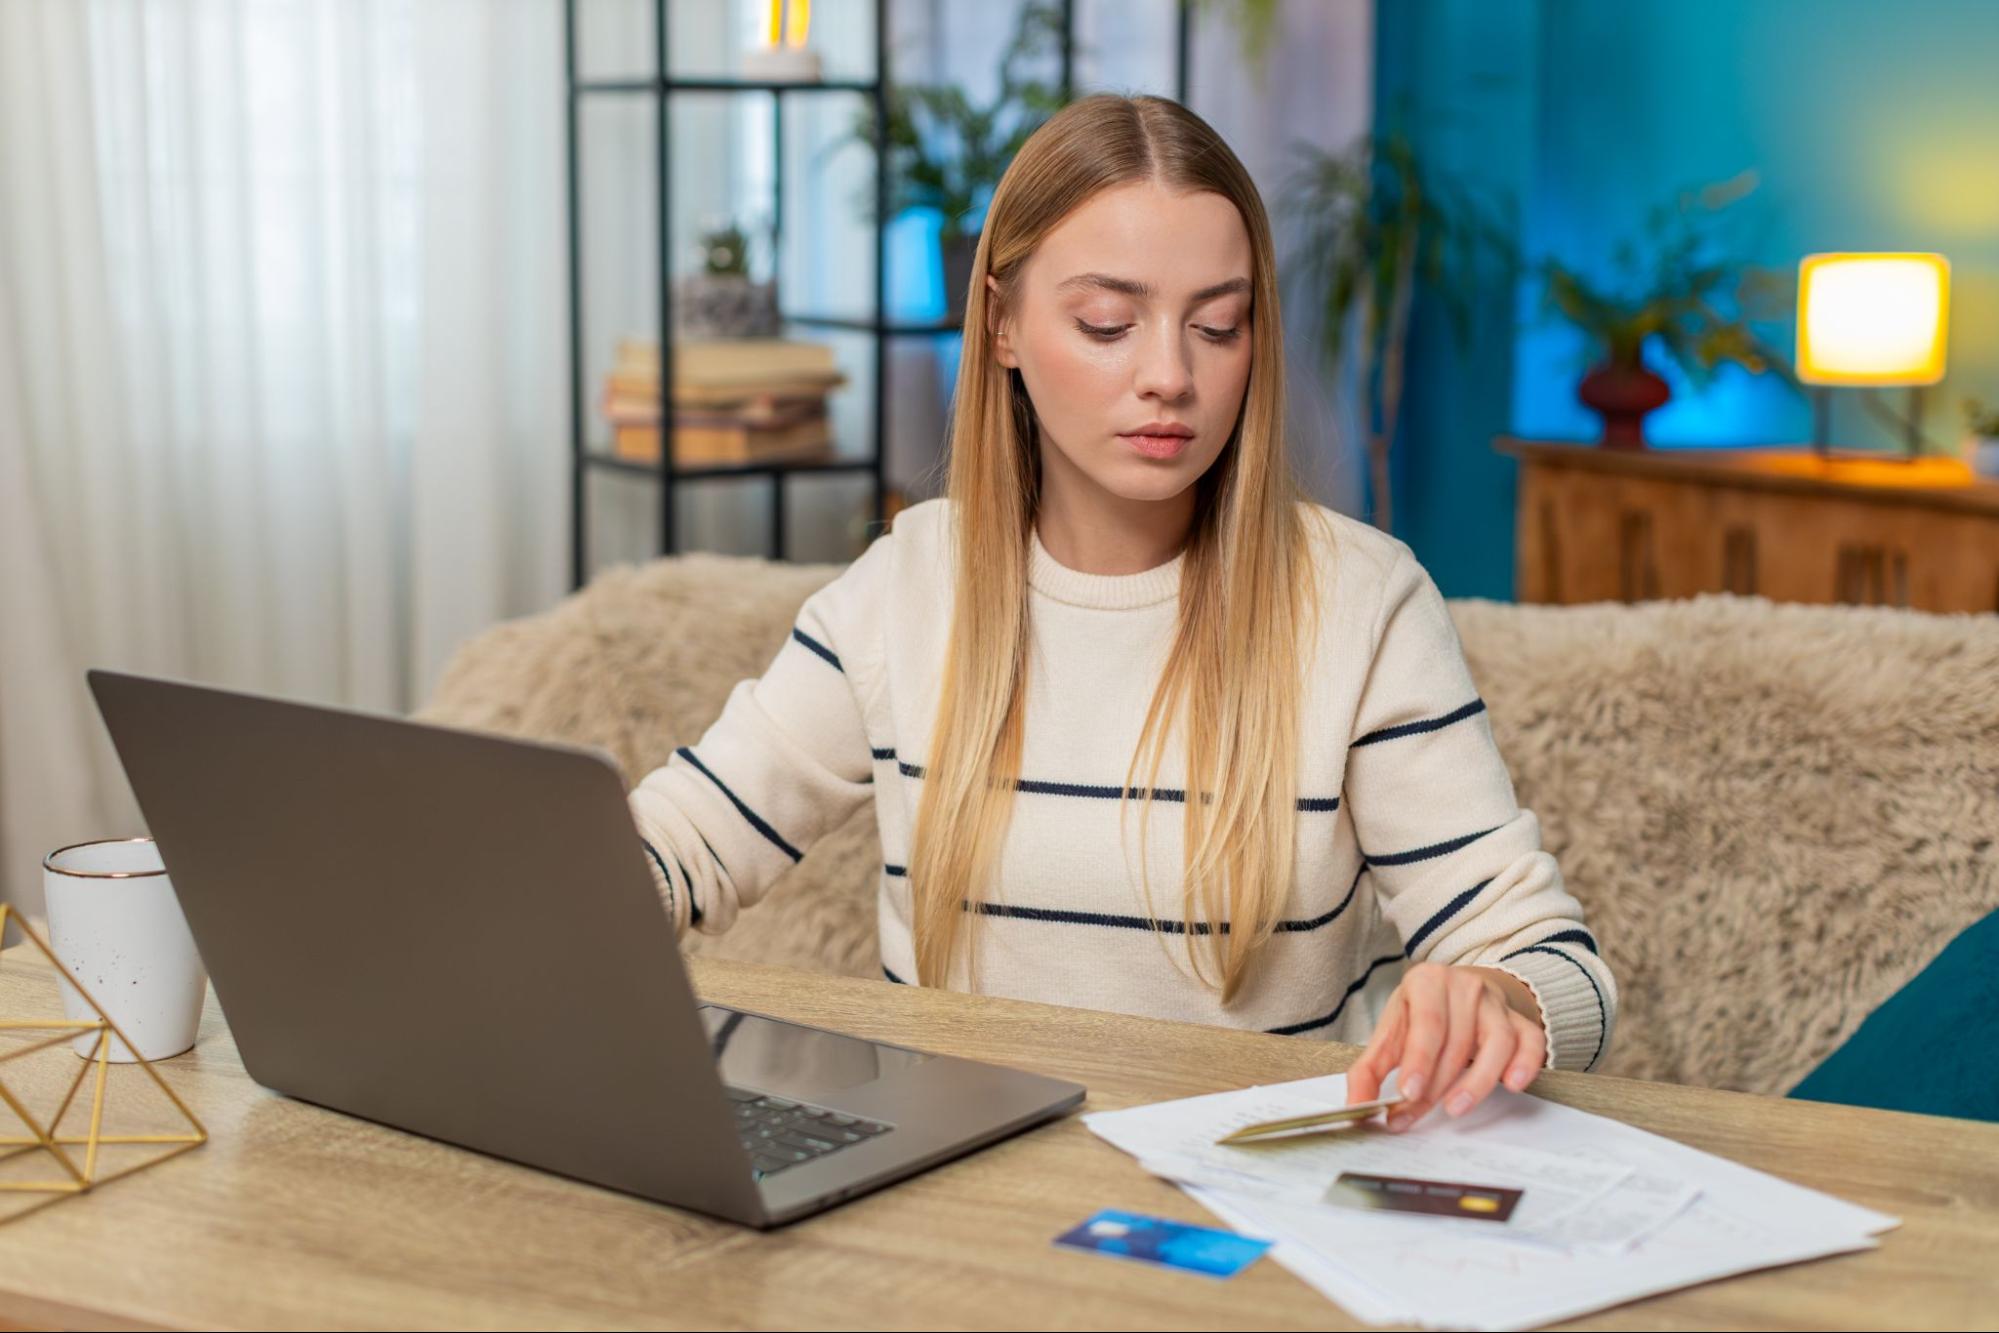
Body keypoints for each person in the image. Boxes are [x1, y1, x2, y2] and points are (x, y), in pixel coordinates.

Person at [627, 93, 1615, 1131]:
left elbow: (1559, 970)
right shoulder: (903, 587)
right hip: (955, 1189)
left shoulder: (1361, 603)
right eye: (1107, 323)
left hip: (1241, 1197)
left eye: (1218, 326)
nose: (1170, 377)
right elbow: (675, 848)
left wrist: (1495, 996)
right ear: (1001, 324)